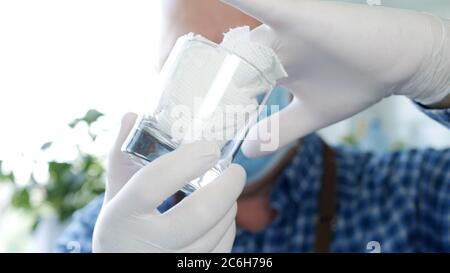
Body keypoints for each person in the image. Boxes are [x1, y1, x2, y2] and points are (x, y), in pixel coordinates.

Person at [56, 0, 450, 253]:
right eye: (195, 59)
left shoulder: (409, 191)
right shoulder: (104, 231)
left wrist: (438, 65)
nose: (218, 91)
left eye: (248, 55)